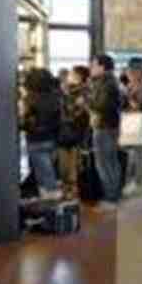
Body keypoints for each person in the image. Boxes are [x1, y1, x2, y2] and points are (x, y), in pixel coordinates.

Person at [88, 55, 123, 212]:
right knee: (111, 162)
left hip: (104, 127)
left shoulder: (106, 83)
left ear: (102, 67)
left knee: (104, 164)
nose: (91, 67)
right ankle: (113, 196)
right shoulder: (108, 81)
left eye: (94, 64)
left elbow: (101, 105)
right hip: (109, 126)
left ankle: (110, 198)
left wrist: (86, 101)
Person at [20, 68, 62, 198]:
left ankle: (50, 198)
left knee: (43, 174)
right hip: (53, 139)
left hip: (36, 140)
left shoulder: (29, 99)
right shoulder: (55, 96)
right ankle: (48, 194)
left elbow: (25, 122)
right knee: (48, 170)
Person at [58, 65, 92, 201]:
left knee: (74, 165)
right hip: (67, 133)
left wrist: (68, 106)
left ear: (79, 77)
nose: (69, 76)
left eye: (72, 74)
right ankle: (67, 190)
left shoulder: (84, 93)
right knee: (64, 166)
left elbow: (76, 113)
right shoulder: (67, 91)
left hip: (77, 133)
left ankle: (73, 192)